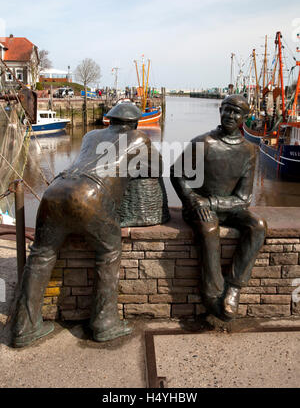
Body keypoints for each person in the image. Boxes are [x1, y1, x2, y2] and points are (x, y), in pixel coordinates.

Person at [11, 103, 160, 347]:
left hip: (55, 191)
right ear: (134, 123)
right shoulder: (139, 138)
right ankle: (104, 323)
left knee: (40, 256)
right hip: (90, 195)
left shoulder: (91, 135)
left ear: (110, 120)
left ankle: (23, 327)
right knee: (109, 252)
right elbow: (157, 168)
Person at [170, 94, 266, 321]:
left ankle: (233, 287)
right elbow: (177, 173)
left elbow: (243, 198)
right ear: (220, 110)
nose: (230, 116)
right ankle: (212, 294)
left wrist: (212, 202)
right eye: (227, 110)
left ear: (244, 117)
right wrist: (193, 200)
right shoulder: (203, 143)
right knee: (209, 228)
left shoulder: (249, 151)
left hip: (226, 206)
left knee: (258, 226)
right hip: (199, 208)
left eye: (236, 112)